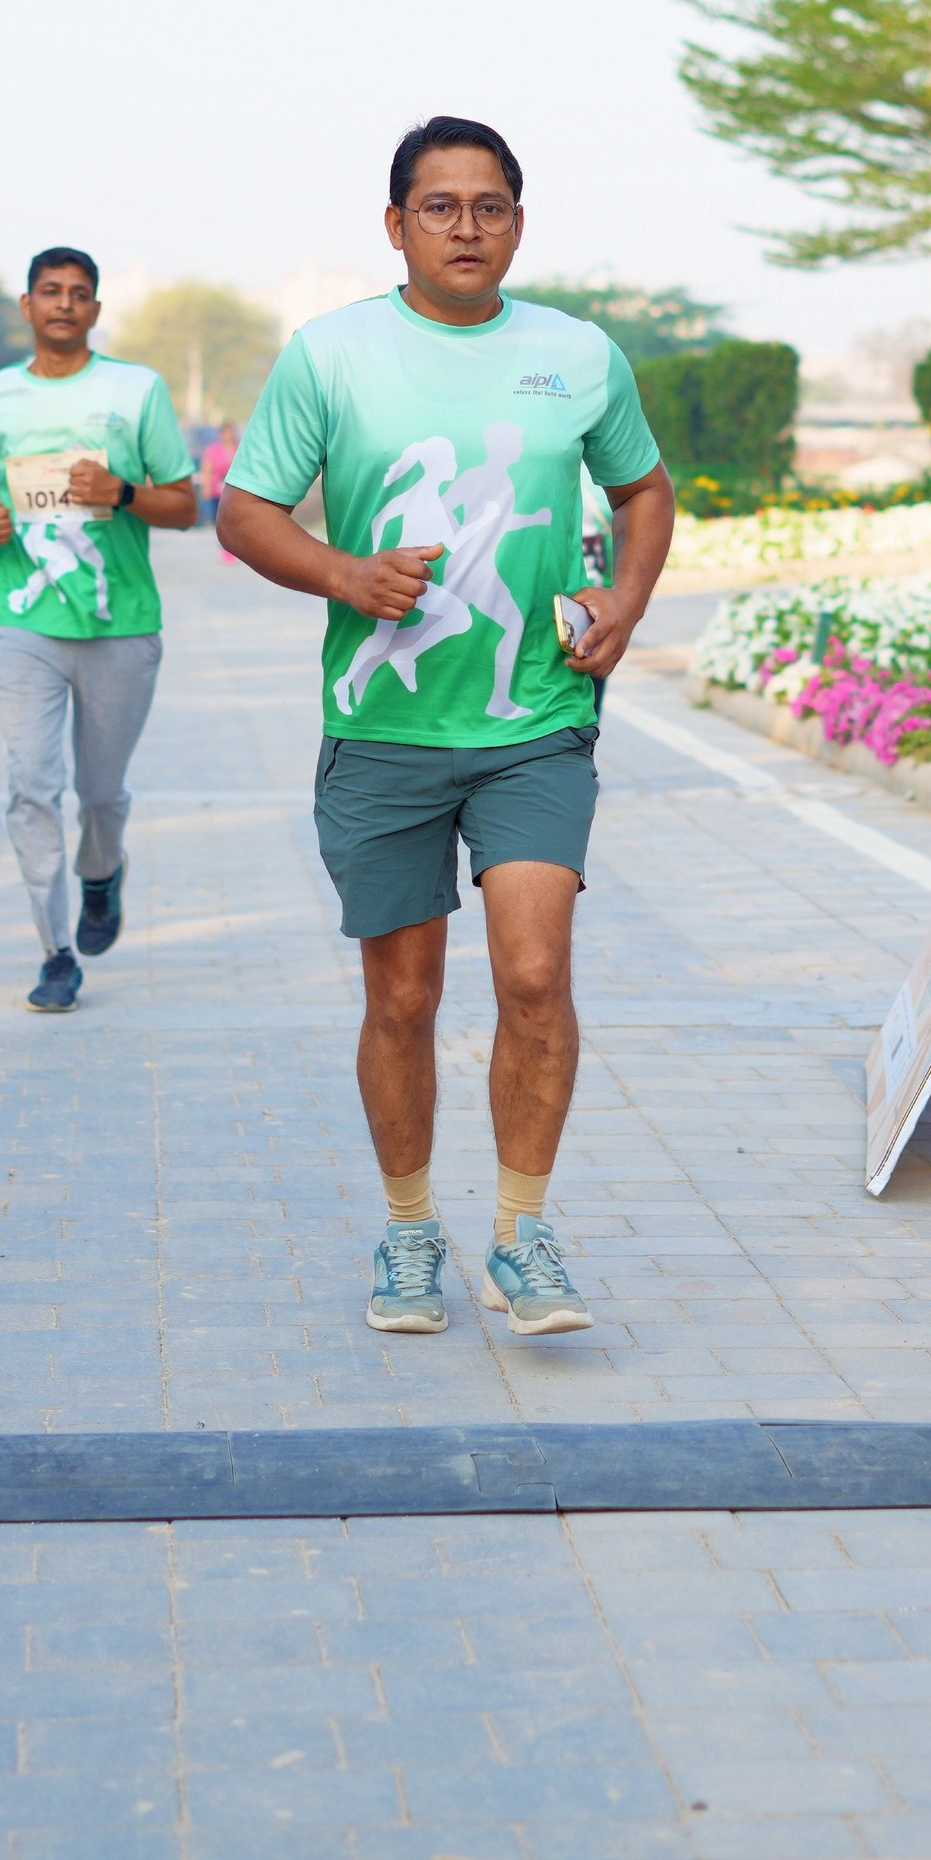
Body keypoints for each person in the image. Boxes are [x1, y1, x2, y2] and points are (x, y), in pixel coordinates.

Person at [219, 116, 674, 1340]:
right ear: (396, 225)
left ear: (518, 224)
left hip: (536, 719)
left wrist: (626, 601)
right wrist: (344, 574)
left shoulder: (577, 355)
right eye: (440, 206)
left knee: (534, 974)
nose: (466, 227)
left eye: (489, 207)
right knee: (405, 997)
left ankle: (522, 1235)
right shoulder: (332, 355)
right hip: (383, 726)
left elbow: (642, 489)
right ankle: (410, 1229)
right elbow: (246, 512)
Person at [0, 250, 201, 1013]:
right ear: (26, 305)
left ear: (96, 310)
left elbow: (186, 505)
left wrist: (122, 491)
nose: (64, 304)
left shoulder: (136, 390)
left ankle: (101, 874)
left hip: (121, 624)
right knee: (32, 785)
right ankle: (55, 951)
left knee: (99, 794)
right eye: (50, 292)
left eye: (80, 294)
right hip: (24, 621)